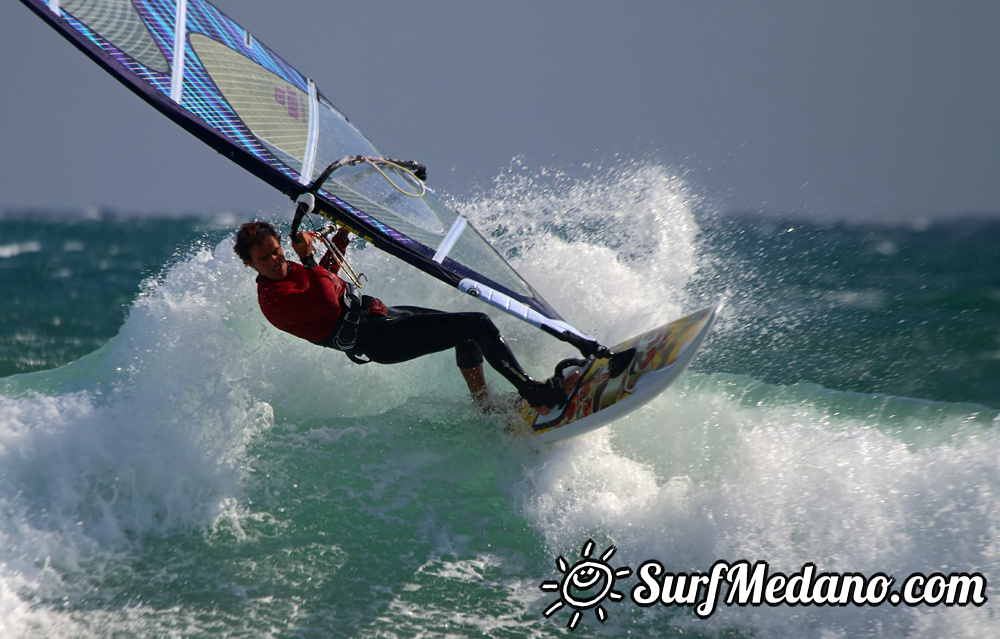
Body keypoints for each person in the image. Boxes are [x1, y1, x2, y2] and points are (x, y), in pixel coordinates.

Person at [233, 221, 576, 412]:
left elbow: (326, 278)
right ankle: (535, 394)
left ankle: (483, 404)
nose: (277, 261)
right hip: (378, 339)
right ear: (250, 265)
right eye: (266, 259)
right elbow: (324, 301)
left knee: (468, 333)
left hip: (380, 316)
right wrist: (307, 259)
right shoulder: (273, 299)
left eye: (277, 251)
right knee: (478, 324)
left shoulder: (288, 269)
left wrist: (341, 235)